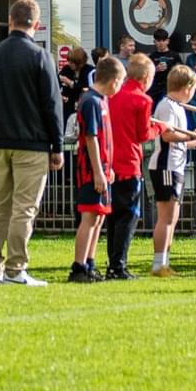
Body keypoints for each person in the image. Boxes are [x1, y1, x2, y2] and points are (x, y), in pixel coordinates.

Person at [0, 0, 63, 285]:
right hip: (32, 143)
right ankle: (16, 268)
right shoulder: (40, 57)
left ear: (9, 20)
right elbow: (52, 106)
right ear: (36, 25)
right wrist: (57, 146)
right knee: (24, 208)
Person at [148, 65, 196, 278]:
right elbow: (167, 136)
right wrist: (194, 134)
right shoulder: (167, 106)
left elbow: (180, 142)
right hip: (166, 166)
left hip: (176, 164)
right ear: (187, 87)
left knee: (172, 217)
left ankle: (164, 262)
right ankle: (158, 263)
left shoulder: (176, 106)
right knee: (166, 216)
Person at [69, 55, 122, 283]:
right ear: (113, 81)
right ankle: (78, 266)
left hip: (103, 170)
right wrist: (98, 171)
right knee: (89, 216)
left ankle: (90, 262)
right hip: (91, 171)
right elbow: (91, 138)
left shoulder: (102, 101)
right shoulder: (90, 101)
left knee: (99, 218)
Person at [103, 54, 154, 280]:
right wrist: (159, 129)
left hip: (110, 163)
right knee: (129, 215)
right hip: (130, 163)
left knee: (113, 216)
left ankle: (112, 263)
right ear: (145, 77)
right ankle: (118, 265)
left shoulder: (111, 96)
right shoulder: (142, 100)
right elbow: (143, 135)